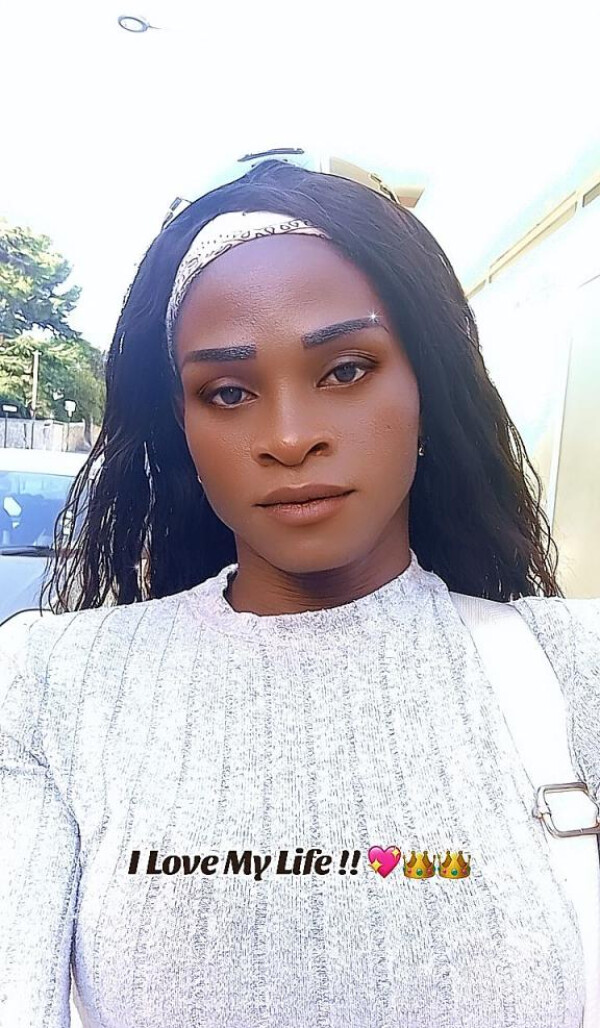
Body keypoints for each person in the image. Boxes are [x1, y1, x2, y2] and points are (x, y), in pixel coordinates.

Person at [1, 156, 599, 1028]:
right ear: (184, 429)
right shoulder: (53, 688)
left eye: (346, 370)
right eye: (228, 392)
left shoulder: (574, 670)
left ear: (428, 390)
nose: (289, 437)